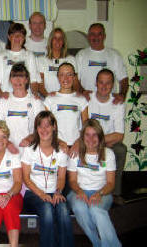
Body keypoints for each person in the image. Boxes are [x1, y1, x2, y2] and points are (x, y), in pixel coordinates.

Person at [22, 111, 74, 247]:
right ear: (36, 129)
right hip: (33, 194)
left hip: (54, 192)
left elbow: (62, 177)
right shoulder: (29, 150)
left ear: (54, 127)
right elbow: (26, 178)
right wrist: (41, 194)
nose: (44, 129)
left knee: (63, 209)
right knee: (47, 209)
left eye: (47, 125)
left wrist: (58, 192)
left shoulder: (61, 151)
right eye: (40, 126)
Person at [67, 119, 122, 247]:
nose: (91, 139)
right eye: (87, 134)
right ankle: (97, 243)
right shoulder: (75, 154)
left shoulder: (108, 154)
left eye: (95, 134)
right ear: (82, 137)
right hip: (78, 191)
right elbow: (73, 181)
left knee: (96, 209)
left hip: (103, 191)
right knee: (79, 207)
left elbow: (110, 183)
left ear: (100, 136)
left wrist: (99, 193)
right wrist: (79, 191)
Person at [88, 69, 127, 201]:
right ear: (96, 83)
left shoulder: (118, 103)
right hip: (87, 142)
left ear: (113, 85)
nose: (104, 86)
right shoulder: (87, 99)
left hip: (107, 143)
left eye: (108, 83)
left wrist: (99, 141)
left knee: (121, 149)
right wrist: (92, 141)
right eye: (101, 82)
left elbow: (120, 135)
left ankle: (115, 193)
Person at [76, 23, 128, 103]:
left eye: (99, 34)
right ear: (88, 36)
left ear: (104, 36)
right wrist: (82, 91)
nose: (96, 37)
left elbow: (123, 79)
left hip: (109, 104)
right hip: (87, 102)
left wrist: (122, 94)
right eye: (92, 34)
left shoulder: (114, 55)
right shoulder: (81, 55)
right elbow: (75, 79)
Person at [0, 63, 44, 153]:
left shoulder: (36, 101)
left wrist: (31, 137)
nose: (17, 80)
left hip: (30, 151)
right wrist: (7, 143)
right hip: (8, 150)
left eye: (21, 76)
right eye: (14, 76)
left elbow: (42, 128)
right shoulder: (3, 101)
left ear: (26, 80)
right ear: (10, 79)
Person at [44, 62, 88, 155]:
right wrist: (59, 142)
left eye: (69, 75)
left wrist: (78, 142)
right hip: (55, 145)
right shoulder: (49, 99)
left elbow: (86, 126)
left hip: (76, 146)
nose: (66, 78)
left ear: (74, 77)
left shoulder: (81, 99)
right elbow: (46, 127)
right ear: (58, 77)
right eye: (62, 75)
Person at [0, 22, 39, 99]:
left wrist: (35, 95)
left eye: (21, 35)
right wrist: (1, 94)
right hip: (7, 97)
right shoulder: (0, 56)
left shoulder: (30, 56)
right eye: (14, 35)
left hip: (25, 98)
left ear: (24, 38)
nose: (17, 37)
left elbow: (33, 81)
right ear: (9, 37)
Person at [37, 28, 77, 96]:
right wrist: (51, 99)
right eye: (55, 38)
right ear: (51, 41)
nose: (57, 41)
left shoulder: (71, 59)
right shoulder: (41, 60)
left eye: (60, 38)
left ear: (63, 41)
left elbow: (76, 84)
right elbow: (40, 86)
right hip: (48, 99)